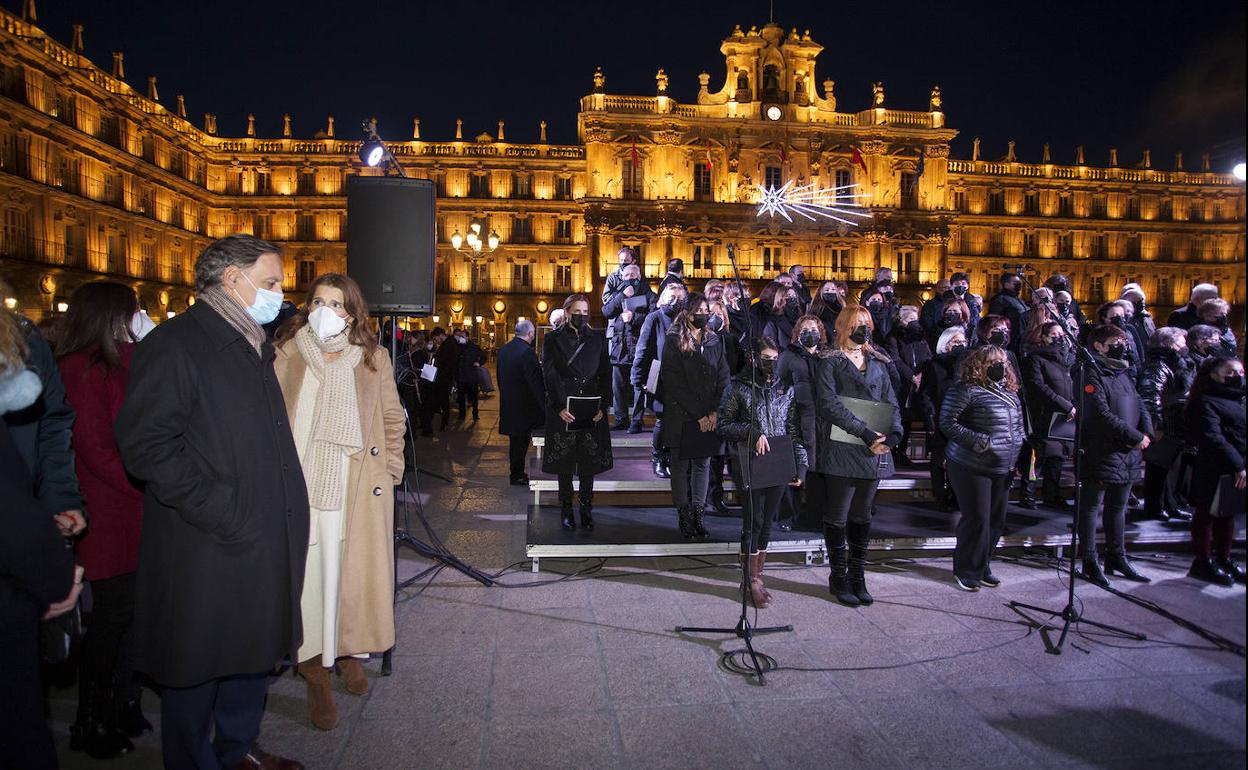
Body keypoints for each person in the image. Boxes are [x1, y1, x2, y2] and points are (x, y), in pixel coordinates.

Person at [115, 234, 309, 770]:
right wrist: (223, 509)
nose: (279, 294)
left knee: (249, 654)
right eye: (270, 282)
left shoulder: (251, 342)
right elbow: (147, 445)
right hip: (205, 542)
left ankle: (239, 750)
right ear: (232, 279)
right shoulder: (176, 344)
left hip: (256, 535)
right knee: (198, 663)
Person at [271, 273, 404, 731]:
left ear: (353, 314)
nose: (326, 310)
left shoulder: (373, 358)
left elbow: (391, 418)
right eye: (319, 301)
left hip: (357, 486)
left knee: (348, 574)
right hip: (301, 485)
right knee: (311, 579)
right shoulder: (286, 355)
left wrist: (392, 469)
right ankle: (313, 670)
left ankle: (346, 648)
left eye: (338, 303)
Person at [56, 282, 151, 758]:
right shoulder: (81, 368)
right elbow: (95, 448)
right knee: (110, 619)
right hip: (109, 511)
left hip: (133, 508)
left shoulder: (120, 361)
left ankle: (122, 704)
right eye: (131, 314)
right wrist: (145, 487)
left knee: (131, 615)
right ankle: (90, 719)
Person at [2, 311, 80, 770]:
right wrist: (48, 568)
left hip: (25, 543)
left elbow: (53, 428)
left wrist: (61, 501)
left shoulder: (26, 340)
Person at [814, 305, 903, 606]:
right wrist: (864, 433)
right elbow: (829, 404)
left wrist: (894, 434)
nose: (863, 329)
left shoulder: (878, 361)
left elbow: (891, 401)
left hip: (875, 450)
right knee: (838, 515)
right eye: (857, 324)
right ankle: (838, 576)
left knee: (862, 515)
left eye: (867, 324)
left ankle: (858, 575)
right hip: (844, 445)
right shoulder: (829, 362)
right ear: (843, 327)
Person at [716, 338, 807, 608]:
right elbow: (723, 424)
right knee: (753, 521)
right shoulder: (736, 387)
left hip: (778, 461)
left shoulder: (785, 389)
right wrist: (751, 432)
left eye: (775, 357)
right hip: (751, 460)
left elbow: (794, 429)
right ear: (753, 358)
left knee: (768, 521)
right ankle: (749, 579)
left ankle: (758, 575)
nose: (771, 363)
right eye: (766, 357)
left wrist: (800, 464)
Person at [940, 345, 1025, 592]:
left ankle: (983, 564)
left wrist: (1018, 454)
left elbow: (1018, 426)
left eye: (1003, 362)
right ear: (979, 365)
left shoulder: (1011, 393)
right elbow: (947, 422)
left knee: (996, 521)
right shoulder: (965, 390)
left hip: (1003, 465)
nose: (1000, 366)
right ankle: (967, 568)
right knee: (977, 518)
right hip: (971, 464)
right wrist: (979, 441)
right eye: (993, 362)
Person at [1074, 324, 1153, 587]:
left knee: (1118, 507)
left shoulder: (1122, 370)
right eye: (1115, 340)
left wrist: (1146, 432)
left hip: (1128, 451)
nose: (1122, 344)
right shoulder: (1090, 371)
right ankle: (1089, 560)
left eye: (1123, 339)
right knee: (1090, 507)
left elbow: (1139, 402)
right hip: (1102, 449)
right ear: (1098, 345)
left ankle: (1116, 556)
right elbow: (1099, 413)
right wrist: (1134, 437)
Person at [659, 293, 730, 538]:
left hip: (709, 414)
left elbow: (724, 377)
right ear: (687, 312)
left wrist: (713, 412)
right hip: (682, 414)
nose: (703, 313)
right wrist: (699, 414)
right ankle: (684, 515)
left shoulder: (713, 340)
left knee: (703, 465)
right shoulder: (673, 339)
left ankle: (699, 515)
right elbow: (673, 381)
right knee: (680, 467)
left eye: (706, 309)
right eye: (698, 309)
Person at [542, 295, 613, 531]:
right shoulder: (552, 339)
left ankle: (585, 507)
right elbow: (549, 375)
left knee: (587, 462)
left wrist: (602, 407)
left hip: (590, 406)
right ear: (567, 312)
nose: (581, 315)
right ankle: (565, 507)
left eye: (585, 311)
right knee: (564, 463)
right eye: (577, 311)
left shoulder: (598, 339)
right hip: (564, 407)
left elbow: (605, 374)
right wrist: (559, 407)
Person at [1184, 356, 1246, 585]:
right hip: (1215, 465)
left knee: (1227, 514)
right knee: (1207, 514)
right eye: (1230, 373)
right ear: (1213, 375)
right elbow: (1213, 437)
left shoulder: (1238, 399)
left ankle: (1224, 558)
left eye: (1240, 372)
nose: (1237, 377)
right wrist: (1237, 465)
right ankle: (1203, 562)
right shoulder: (1204, 402)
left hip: (1237, 465)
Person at [1139, 327, 1195, 521]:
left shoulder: (1176, 363)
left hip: (1177, 423)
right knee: (1158, 468)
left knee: (1173, 469)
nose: (1184, 347)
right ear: (1169, 344)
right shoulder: (1157, 365)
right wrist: (1156, 425)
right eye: (1181, 343)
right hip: (1166, 423)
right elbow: (1150, 396)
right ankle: (1155, 506)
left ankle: (1171, 504)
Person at [1021, 320, 1076, 509]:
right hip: (1044, 414)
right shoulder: (1035, 359)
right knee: (1037, 457)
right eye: (1054, 335)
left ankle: (1051, 495)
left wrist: (1072, 406)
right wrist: (1064, 405)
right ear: (1043, 338)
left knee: (1058, 457)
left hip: (1064, 417)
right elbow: (1038, 386)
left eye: (1062, 335)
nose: (1059, 339)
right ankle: (1027, 495)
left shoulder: (1068, 361)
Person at [633, 283, 686, 477]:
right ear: (663, 298)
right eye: (672, 296)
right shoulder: (653, 318)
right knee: (663, 419)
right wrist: (638, 379)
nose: (676, 301)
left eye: (680, 297)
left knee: (678, 421)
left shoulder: (685, 320)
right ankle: (658, 458)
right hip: (659, 376)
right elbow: (643, 350)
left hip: (683, 378)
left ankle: (672, 457)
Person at [778, 315, 825, 530]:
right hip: (796, 417)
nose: (810, 332)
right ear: (798, 333)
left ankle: (814, 515)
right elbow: (779, 385)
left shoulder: (826, 356)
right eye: (805, 329)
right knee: (795, 468)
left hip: (821, 419)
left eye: (814, 329)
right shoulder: (789, 356)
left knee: (816, 469)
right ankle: (788, 516)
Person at [603, 262, 656, 432]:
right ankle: (620, 419)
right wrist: (621, 297)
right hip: (620, 347)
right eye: (626, 276)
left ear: (639, 277)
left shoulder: (649, 295)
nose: (629, 279)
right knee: (617, 385)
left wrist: (634, 317)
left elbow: (653, 315)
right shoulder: (619, 293)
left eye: (633, 276)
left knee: (638, 385)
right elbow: (606, 311)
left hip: (639, 347)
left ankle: (637, 420)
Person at [920, 327, 969, 510]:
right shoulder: (933, 365)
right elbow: (925, 395)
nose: (960, 345)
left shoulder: (968, 367)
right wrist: (930, 421)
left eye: (963, 342)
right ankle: (941, 496)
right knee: (939, 461)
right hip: (939, 418)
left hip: (963, 421)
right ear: (946, 343)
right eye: (956, 342)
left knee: (961, 462)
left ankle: (957, 497)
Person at [497, 320, 545, 485]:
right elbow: (534, 382)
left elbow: (499, 378)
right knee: (521, 443)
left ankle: (515, 472)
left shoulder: (503, 350)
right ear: (530, 334)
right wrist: (543, 405)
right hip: (524, 406)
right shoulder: (527, 352)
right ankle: (517, 475)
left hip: (509, 402)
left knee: (515, 442)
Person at [884, 304, 931, 467]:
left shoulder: (921, 339)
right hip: (901, 384)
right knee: (899, 418)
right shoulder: (894, 337)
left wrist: (921, 375)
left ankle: (902, 451)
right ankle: (894, 451)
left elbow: (927, 358)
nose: (914, 322)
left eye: (915, 319)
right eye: (910, 319)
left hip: (917, 386)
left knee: (910, 418)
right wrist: (911, 376)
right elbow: (895, 360)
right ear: (902, 320)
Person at [987, 271, 1027, 353]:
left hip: (1021, 338)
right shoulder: (1000, 299)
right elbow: (994, 319)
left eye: (1019, 282)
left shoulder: (1019, 300)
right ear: (1006, 284)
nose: (1019, 285)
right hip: (1010, 339)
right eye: (1015, 282)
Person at [454, 329, 487, 421]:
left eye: (463, 336)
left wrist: (478, 363)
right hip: (461, 376)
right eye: (460, 336)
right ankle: (462, 414)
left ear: (467, 337)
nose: (461, 338)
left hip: (471, 376)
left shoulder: (474, 347)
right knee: (461, 397)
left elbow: (483, 357)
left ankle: (475, 413)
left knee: (473, 397)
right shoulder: (458, 347)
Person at [432, 326, 460, 430]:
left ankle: (444, 420)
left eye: (435, 338)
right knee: (443, 398)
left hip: (445, 376)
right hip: (445, 375)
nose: (436, 341)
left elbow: (449, 361)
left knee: (443, 398)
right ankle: (445, 419)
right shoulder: (448, 344)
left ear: (440, 335)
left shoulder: (449, 345)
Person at [762, 282, 802, 350]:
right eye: (788, 296)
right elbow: (770, 344)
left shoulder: (801, 318)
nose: (792, 298)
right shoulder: (773, 320)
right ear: (780, 298)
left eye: (794, 296)